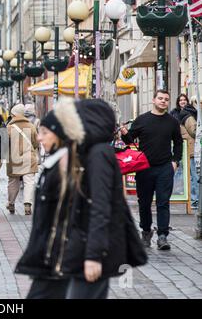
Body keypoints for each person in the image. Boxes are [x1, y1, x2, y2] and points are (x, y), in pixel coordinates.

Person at [61, 98, 147, 299]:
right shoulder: (90, 151)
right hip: (84, 246)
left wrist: (93, 256)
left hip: (92, 249)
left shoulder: (98, 154)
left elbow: (101, 207)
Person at [15, 97, 86, 299]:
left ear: (60, 135)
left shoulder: (67, 167)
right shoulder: (54, 166)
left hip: (60, 257)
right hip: (50, 255)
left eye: (45, 133)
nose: (39, 138)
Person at [121, 89, 183, 250]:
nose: (163, 101)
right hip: (144, 167)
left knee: (163, 202)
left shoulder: (172, 122)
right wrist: (124, 133)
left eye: (166, 99)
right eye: (160, 98)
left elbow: (178, 143)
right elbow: (129, 140)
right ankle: (146, 231)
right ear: (154, 100)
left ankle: (162, 236)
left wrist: (175, 161)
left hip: (165, 167)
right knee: (144, 202)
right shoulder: (142, 120)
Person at [6, 104, 39, 215]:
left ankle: (11, 203)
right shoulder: (31, 126)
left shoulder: (9, 127)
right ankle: (27, 205)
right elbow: (35, 142)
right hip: (29, 158)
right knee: (29, 181)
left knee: (13, 182)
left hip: (14, 158)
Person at [179, 95, 198, 209]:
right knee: (195, 177)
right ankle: (195, 201)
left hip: (193, 150)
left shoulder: (190, 114)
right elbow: (195, 132)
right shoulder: (189, 116)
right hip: (193, 151)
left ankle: (195, 200)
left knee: (194, 176)